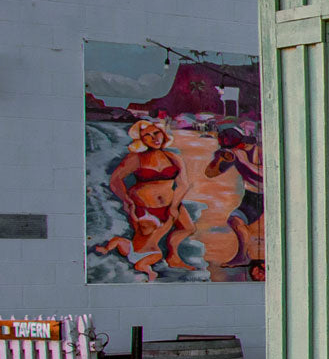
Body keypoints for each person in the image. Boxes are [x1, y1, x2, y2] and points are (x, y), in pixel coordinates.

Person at [95, 120, 194, 280]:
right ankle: (138, 261)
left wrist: (175, 205)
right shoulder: (136, 158)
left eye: (156, 133)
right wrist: (127, 200)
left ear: (163, 134)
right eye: (147, 136)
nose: (153, 138)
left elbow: (183, 184)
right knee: (146, 240)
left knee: (188, 227)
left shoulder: (172, 157)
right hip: (145, 206)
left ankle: (173, 256)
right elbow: (115, 180)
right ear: (141, 140)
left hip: (171, 203)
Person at [206, 124, 264, 269]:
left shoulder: (261, 151)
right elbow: (210, 174)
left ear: (244, 142)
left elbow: (266, 178)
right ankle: (242, 257)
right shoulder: (235, 153)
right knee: (235, 221)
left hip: (270, 195)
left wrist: (244, 161)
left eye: (237, 146)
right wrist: (218, 160)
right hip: (252, 196)